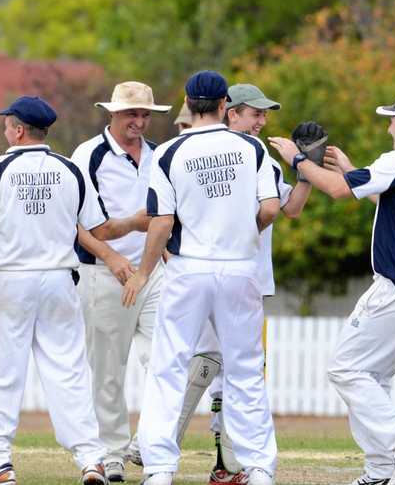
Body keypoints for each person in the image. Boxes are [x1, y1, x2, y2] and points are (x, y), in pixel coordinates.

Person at [0, 96, 150, 485]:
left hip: (11, 279)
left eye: (8, 123)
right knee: (69, 373)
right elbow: (93, 227)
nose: (5, 128)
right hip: (60, 279)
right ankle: (91, 459)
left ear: (19, 130)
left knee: (2, 373)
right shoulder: (70, 170)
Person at [267, 93, 395, 485]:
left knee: (345, 368)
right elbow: (392, 201)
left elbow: (337, 191)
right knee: (373, 377)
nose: (388, 128)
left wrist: (297, 161)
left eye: (391, 121)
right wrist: (353, 170)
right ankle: (381, 471)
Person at [124, 71, 279, 485]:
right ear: (225, 104)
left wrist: (142, 272)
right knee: (245, 368)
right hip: (240, 265)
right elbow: (271, 208)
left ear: (189, 104)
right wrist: (244, 233)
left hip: (189, 265)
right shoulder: (252, 147)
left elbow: (162, 222)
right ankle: (259, 465)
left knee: (168, 366)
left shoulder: (170, 152)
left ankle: (159, 468)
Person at [175, 84, 316, 483]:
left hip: (248, 280)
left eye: (265, 114)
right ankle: (161, 443)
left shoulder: (263, 160)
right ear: (230, 112)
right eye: (256, 113)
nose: (263, 121)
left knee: (231, 371)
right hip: (210, 274)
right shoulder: (201, 155)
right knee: (206, 364)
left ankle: (225, 462)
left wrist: (304, 168)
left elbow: (291, 209)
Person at [68, 81, 171, 482]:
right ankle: (110, 452)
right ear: (112, 113)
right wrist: (111, 259)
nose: (140, 122)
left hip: (151, 271)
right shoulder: (88, 155)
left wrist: (159, 257)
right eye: (132, 114)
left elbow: (166, 214)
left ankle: (149, 444)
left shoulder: (159, 155)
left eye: (145, 114)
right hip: (102, 273)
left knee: (164, 359)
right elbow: (74, 220)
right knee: (108, 367)